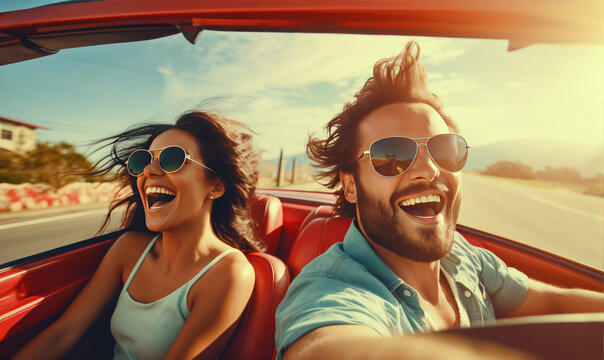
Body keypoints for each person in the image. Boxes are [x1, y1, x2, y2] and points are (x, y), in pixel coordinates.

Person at [274, 41, 604, 360]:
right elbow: (324, 346)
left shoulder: (464, 257)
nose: (428, 170)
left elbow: (553, 305)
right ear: (351, 187)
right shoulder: (330, 290)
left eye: (444, 150)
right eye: (392, 156)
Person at [13, 110, 264, 360]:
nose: (149, 171)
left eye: (173, 158)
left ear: (216, 186)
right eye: (144, 160)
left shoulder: (229, 272)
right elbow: (63, 334)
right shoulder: (130, 248)